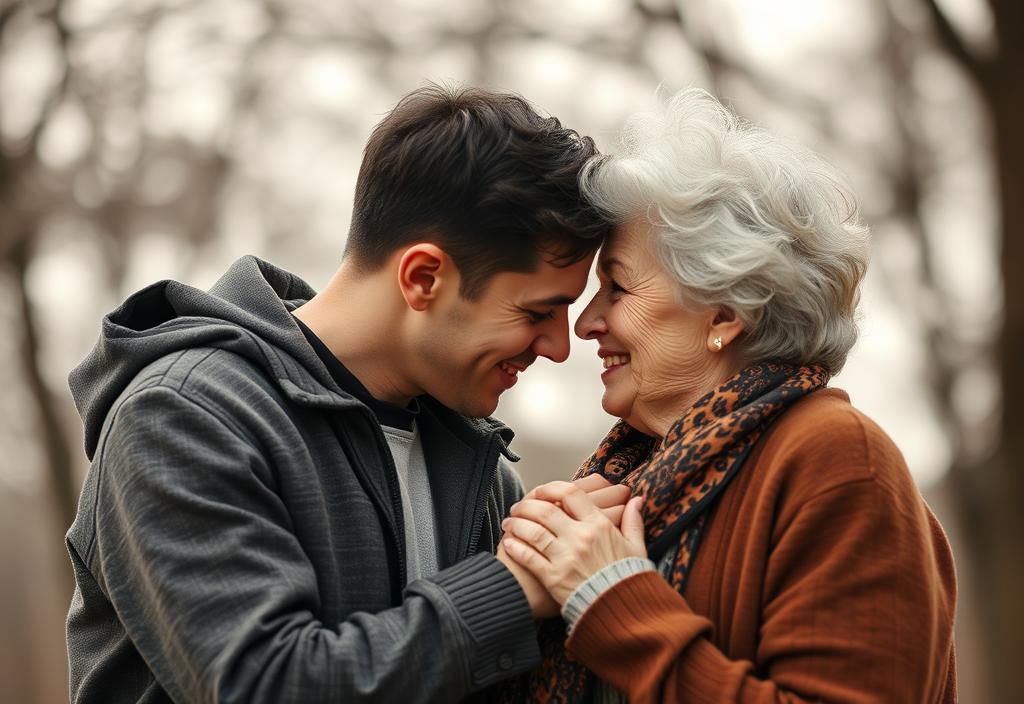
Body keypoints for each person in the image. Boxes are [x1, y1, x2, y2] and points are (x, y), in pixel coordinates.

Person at [63, 84, 628, 703]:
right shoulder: (185, 418)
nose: (557, 346)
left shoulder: (479, 468)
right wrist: (512, 588)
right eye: (537, 311)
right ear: (423, 277)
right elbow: (266, 686)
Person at [498, 88, 957, 703]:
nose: (585, 324)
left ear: (725, 314)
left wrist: (612, 601)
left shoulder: (841, 463)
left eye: (619, 288)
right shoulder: (636, 473)